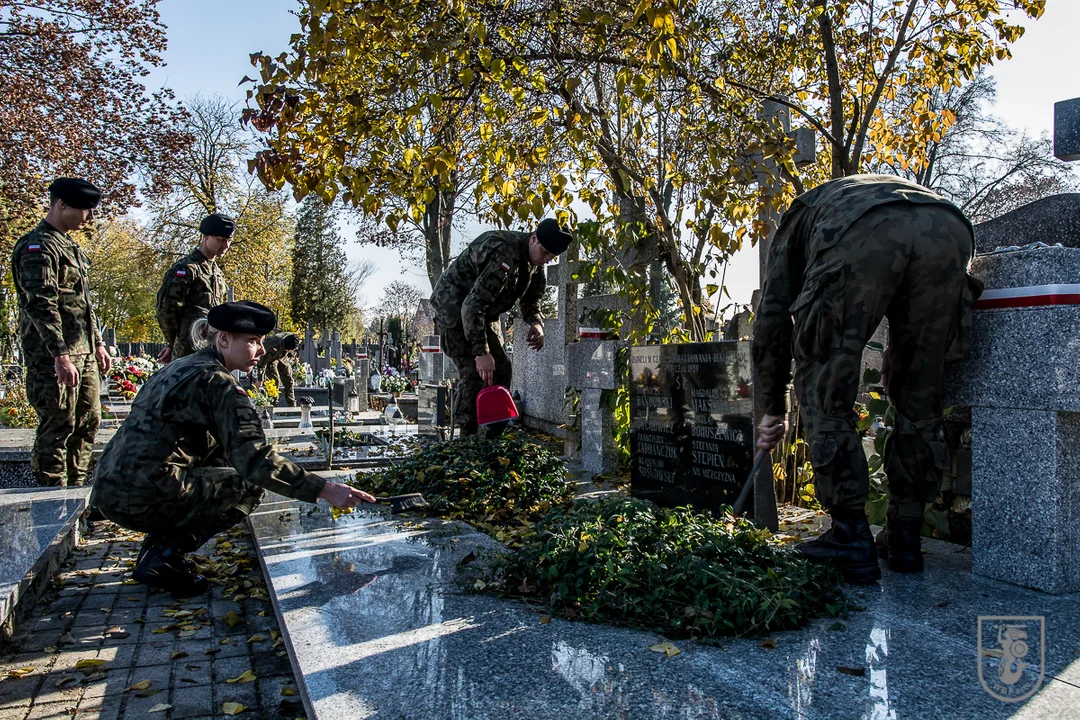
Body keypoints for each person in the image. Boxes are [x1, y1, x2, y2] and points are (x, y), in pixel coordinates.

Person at [752, 174, 979, 584]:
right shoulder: (857, 194)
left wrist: (772, 408)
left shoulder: (800, 215)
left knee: (825, 383)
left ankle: (849, 535)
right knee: (920, 393)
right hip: (950, 229)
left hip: (863, 231)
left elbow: (771, 316)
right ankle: (905, 536)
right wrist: (898, 351)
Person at [91, 301, 374, 596]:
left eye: (261, 341)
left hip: (109, 490)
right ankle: (164, 558)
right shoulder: (218, 383)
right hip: (141, 495)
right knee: (246, 486)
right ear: (224, 339)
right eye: (253, 341)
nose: (262, 351)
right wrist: (325, 489)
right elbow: (254, 458)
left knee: (216, 468)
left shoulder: (183, 366)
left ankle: (154, 554)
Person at [11, 178, 112, 486]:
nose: (90, 218)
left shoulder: (71, 247)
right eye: (85, 210)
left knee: (87, 423)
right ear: (61, 204)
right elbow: (41, 304)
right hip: (52, 354)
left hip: (82, 351)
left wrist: (97, 344)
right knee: (58, 424)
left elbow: (82, 304)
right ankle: (51, 499)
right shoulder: (37, 246)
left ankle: (76, 498)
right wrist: (60, 355)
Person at [430, 218, 572, 436]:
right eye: (544, 253)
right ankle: (467, 441)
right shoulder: (504, 253)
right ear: (533, 238)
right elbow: (471, 305)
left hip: (483, 313)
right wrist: (480, 351)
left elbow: (532, 299)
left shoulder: (534, 262)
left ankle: (493, 438)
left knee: (502, 369)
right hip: (454, 310)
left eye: (551, 257)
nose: (545, 260)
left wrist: (536, 323)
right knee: (474, 372)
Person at [155, 213, 232, 362]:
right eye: (221, 239)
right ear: (206, 237)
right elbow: (166, 309)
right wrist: (173, 342)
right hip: (188, 348)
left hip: (212, 346)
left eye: (229, 240)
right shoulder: (186, 268)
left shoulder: (216, 272)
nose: (226, 245)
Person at [257, 332, 299, 406]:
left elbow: (292, 350)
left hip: (282, 358)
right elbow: (262, 363)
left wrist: (291, 355)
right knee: (275, 381)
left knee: (289, 379)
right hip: (271, 360)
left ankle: (291, 405)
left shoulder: (292, 339)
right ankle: (273, 403)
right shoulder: (272, 345)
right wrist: (260, 379)